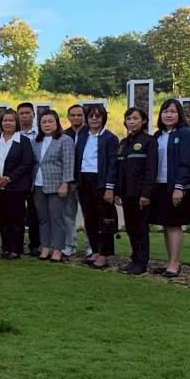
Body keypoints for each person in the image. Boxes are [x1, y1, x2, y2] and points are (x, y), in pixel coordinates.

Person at [150, 99, 190, 277]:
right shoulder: (158, 135)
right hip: (159, 186)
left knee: (174, 225)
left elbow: (187, 162)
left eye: (172, 111)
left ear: (179, 114)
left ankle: (174, 263)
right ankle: (169, 261)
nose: (168, 115)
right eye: (165, 111)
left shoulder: (186, 134)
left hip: (176, 187)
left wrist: (180, 187)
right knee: (166, 225)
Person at [74, 105, 120, 269]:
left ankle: (104, 254)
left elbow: (113, 164)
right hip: (84, 181)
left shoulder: (110, 138)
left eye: (98, 116)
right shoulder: (82, 136)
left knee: (105, 220)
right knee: (90, 218)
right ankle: (94, 251)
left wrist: (110, 188)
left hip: (101, 182)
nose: (94, 119)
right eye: (91, 116)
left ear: (103, 118)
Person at [0, 108, 35, 260]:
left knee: (16, 219)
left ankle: (16, 249)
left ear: (16, 123)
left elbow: (27, 164)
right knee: (3, 219)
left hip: (16, 187)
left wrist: (8, 178)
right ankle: (6, 247)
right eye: (5, 120)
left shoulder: (24, 141)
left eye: (11, 120)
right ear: (1, 123)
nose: (8, 123)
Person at [116, 107, 157, 275]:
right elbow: (119, 170)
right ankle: (134, 259)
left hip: (140, 194)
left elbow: (151, 170)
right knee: (131, 227)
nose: (131, 122)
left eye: (135, 118)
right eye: (128, 119)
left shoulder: (149, 141)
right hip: (126, 193)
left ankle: (141, 263)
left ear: (144, 121)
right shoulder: (124, 143)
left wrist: (146, 194)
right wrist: (117, 192)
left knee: (141, 228)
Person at [32, 110, 75, 262]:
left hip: (56, 185)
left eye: (50, 121)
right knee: (43, 218)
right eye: (44, 122)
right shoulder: (36, 141)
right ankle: (45, 247)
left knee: (57, 218)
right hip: (38, 184)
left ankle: (57, 249)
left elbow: (68, 163)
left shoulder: (65, 140)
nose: (47, 124)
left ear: (57, 123)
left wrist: (65, 183)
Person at [16, 102, 41, 255]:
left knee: (35, 212)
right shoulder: (14, 134)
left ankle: (35, 244)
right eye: (22, 113)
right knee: (17, 212)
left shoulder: (40, 133)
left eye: (27, 113)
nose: (25, 116)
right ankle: (17, 245)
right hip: (17, 178)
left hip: (35, 177)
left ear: (33, 114)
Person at [62, 104, 86, 256]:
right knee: (68, 214)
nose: (76, 118)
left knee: (88, 215)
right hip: (68, 182)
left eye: (79, 115)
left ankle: (91, 246)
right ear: (68, 117)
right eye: (73, 115)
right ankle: (70, 244)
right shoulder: (64, 135)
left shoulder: (90, 134)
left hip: (86, 182)